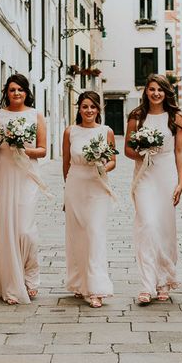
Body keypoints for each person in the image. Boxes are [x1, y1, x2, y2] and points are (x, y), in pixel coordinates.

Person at [125, 75, 182, 305]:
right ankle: (146, 284)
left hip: (166, 176)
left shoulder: (176, 118)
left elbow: (181, 151)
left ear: (166, 92)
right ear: (146, 92)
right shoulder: (136, 117)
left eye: (160, 89)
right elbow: (128, 150)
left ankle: (163, 281)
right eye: (152, 89)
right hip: (144, 177)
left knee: (164, 228)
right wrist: (144, 150)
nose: (156, 93)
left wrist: (181, 182)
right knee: (147, 225)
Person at [0, 74, 47, 304]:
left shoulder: (35, 115)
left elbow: (43, 149)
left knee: (26, 230)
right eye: (12, 90)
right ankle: (10, 283)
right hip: (4, 171)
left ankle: (30, 276)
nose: (16, 94)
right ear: (6, 91)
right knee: (6, 229)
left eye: (20, 90)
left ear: (27, 92)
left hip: (27, 174)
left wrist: (21, 147)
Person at [62, 91, 116, 308]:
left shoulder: (106, 132)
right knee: (77, 236)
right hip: (75, 185)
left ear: (98, 109)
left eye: (93, 107)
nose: (89, 110)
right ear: (79, 109)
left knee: (94, 233)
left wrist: (102, 166)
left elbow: (113, 161)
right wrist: (65, 191)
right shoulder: (70, 132)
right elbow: (65, 163)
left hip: (97, 187)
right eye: (85, 106)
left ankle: (95, 288)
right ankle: (78, 282)